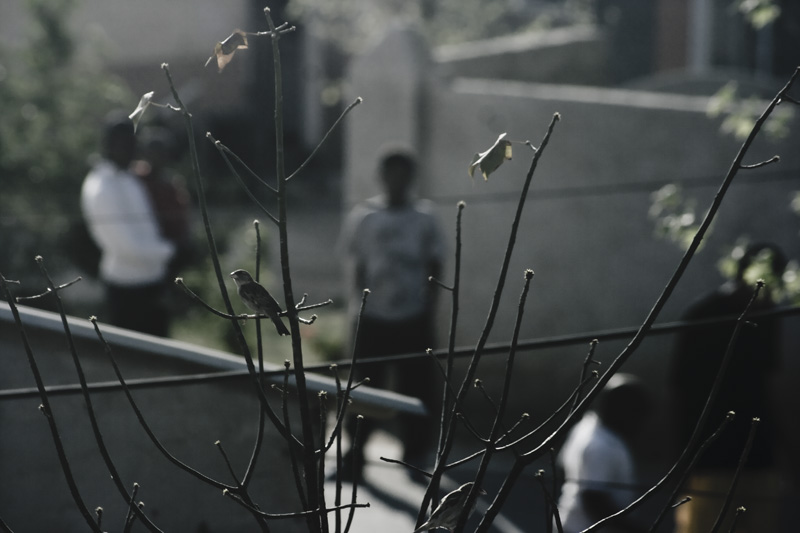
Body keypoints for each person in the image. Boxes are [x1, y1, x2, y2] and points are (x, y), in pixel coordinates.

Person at [338, 146, 446, 481]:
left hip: (412, 318)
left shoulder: (425, 219)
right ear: (381, 177)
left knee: (418, 388)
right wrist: (358, 311)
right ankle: (354, 453)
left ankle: (416, 454)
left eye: (403, 174)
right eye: (391, 173)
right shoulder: (365, 217)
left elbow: (436, 266)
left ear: (412, 178)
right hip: (373, 319)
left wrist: (427, 310)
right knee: (365, 389)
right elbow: (357, 266)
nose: (397, 180)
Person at [669, 242, 786, 533]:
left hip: (730, 457)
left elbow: (677, 390)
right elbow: (775, 390)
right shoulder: (755, 314)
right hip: (733, 458)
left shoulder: (704, 312)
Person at [81, 112, 175, 336]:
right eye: (125, 143)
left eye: (134, 142)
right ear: (110, 144)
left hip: (153, 284)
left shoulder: (131, 177)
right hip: (127, 290)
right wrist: (172, 251)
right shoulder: (100, 187)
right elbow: (126, 247)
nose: (133, 149)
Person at [556, 373, 653, 533]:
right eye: (635, 413)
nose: (639, 422)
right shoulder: (600, 446)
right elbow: (594, 501)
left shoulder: (586, 425)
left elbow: (562, 468)